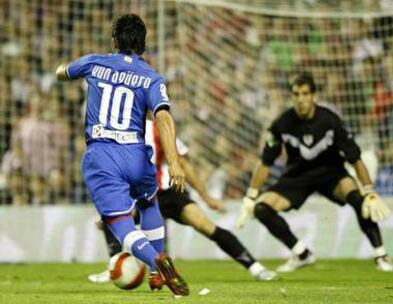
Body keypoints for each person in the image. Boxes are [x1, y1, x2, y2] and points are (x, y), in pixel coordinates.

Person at [55, 14, 189, 296]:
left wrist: (65, 70)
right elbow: (163, 117)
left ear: (114, 40)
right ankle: (156, 273)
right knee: (149, 202)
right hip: (137, 154)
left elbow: (61, 72)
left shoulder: (94, 62)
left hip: (102, 154)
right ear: (143, 43)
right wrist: (174, 161)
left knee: (119, 221)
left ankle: (156, 260)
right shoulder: (152, 77)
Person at [236, 72, 393, 273]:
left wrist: (369, 190)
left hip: (331, 173)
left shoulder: (330, 121)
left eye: (305, 94)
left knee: (359, 199)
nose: (300, 99)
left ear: (314, 96)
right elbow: (265, 161)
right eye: (296, 94)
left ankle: (381, 255)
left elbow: (355, 158)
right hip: (298, 176)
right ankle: (302, 254)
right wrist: (251, 196)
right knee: (261, 208)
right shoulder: (281, 124)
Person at [88, 120, 277, 287]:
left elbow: (184, 164)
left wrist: (206, 197)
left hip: (169, 194)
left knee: (206, 226)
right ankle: (115, 265)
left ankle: (255, 267)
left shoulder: (160, 129)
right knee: (111, 217)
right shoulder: (117, 133)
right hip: (141, 196)